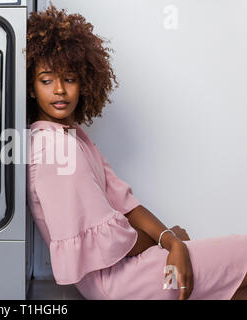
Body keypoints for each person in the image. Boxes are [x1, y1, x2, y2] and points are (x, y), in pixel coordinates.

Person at [25, 5, 247, 300]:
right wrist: (170, 242)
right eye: (47, 80)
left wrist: (169, 240)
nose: (60, 91)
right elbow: (111, 244)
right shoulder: (55, 148)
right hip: (126, 283)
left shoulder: (75, 138)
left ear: (85, 83)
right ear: (31, 86)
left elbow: (126, 203)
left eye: (70, 78)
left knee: (231, 284)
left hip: (138, 273)